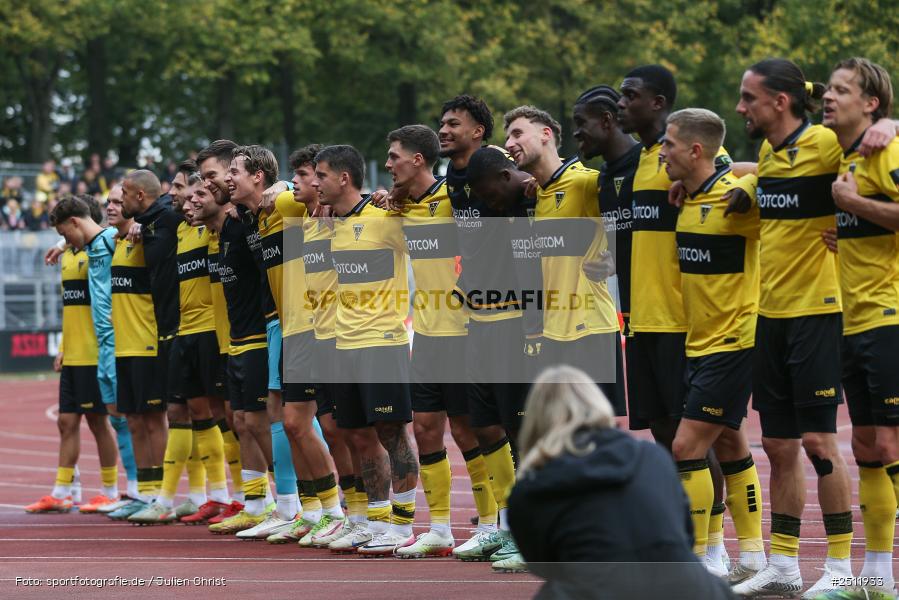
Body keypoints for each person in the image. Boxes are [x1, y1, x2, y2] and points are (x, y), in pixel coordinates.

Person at [721, 58, 893, 597]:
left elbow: (869, 144)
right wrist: (743, 187)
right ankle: (786, 564)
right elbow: (759, 170)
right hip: (768, 316)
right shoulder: (773, 152)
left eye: (749, 98)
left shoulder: (829, 145)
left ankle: (843, 567)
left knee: (826, 441)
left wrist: (892, 123)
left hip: (821, 314)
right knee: (778, 444)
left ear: (779, 101)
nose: (741, 107)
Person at [508, 365, 735, 600]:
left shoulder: (531, 487)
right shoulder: (652, 457)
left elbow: (542, 564)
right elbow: (683, 532)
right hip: (693, 588)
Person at [381, 125, 499, 558]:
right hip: (427, 334)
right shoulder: (400, 207)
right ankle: (441, 529)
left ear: (417, 160)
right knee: (427, 429)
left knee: (469, 432)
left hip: (466, 332)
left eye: (394, 156)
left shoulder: (456, 196)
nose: (389, 164)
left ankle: (490, 525)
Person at [659, 108, 766, 580]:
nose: (661, 152)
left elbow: (775, 171)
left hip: (734, 340)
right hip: (698, 343)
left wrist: (748, 181)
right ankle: (755, 557)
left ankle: (700, 557)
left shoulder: (736, 198)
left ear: (695, 151)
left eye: (668, 145)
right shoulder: (690, 193)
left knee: (685, 447)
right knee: (730, 444)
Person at [814, 57, 899, 600]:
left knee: (888, 441)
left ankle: (883, 570)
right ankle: (880, 577)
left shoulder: (885, 148)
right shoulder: (839, 153)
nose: (829, 96)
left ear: (871, 103)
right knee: (867, 444)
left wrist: (851, 204)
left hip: (890, 315)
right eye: (828, 89)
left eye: (842, 90)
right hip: (851, 319)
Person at [313, 144, 420, 556]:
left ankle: (403, 523)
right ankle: (374, 521)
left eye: (322, 175)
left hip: (383, 342)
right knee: (356, 434)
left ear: (344, 178)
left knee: (392, 433)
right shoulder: (328, 222)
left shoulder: (386, 216)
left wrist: (398, 199)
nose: (317, 182)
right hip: (344, 343)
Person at [436, 95, 528, 569]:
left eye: (454, 123)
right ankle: (505, 525)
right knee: (484, 426)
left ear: (479, 131)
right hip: (476, 319)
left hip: (514, 319)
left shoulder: (504, 170)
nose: (444, 129)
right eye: (442, 123)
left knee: (518, 427)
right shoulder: (453, 180)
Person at [502, 105, 624, 410]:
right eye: (506, 137)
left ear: (546, 135)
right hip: (552, 332)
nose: (509, 143)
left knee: (590, 437)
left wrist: (618, 258)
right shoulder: (536, 193)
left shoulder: (586, 182)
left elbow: (634, 217)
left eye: (517, 133)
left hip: (590, 330)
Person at [287, 145, 368, 549]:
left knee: (352, 431)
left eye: (312, 175)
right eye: (304, 176)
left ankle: (366, 514)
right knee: (336, 429)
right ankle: (347, 513)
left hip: (348, 336)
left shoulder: (350, 215)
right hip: (314, 335)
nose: (308, 183)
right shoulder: (298, 215)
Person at [197, 140, 274, 534]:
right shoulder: (229, 226)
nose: (209, 185)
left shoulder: (254, 218)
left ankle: (297, 503)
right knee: (242, 421)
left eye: (214, 176)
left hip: (264, 334)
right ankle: (258, 502)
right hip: (238, 340)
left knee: (272, 423)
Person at [27, 195, 121, 514]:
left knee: (98, 422)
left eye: (66, 233)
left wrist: (64, 243)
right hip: (74, 353)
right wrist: (64, 348)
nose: (64, 239)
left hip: (97, 352)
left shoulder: (98, 252)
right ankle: (62, 491)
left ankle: (110, 490)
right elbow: (72, 307)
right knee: (66, 422)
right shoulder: (66, 257)